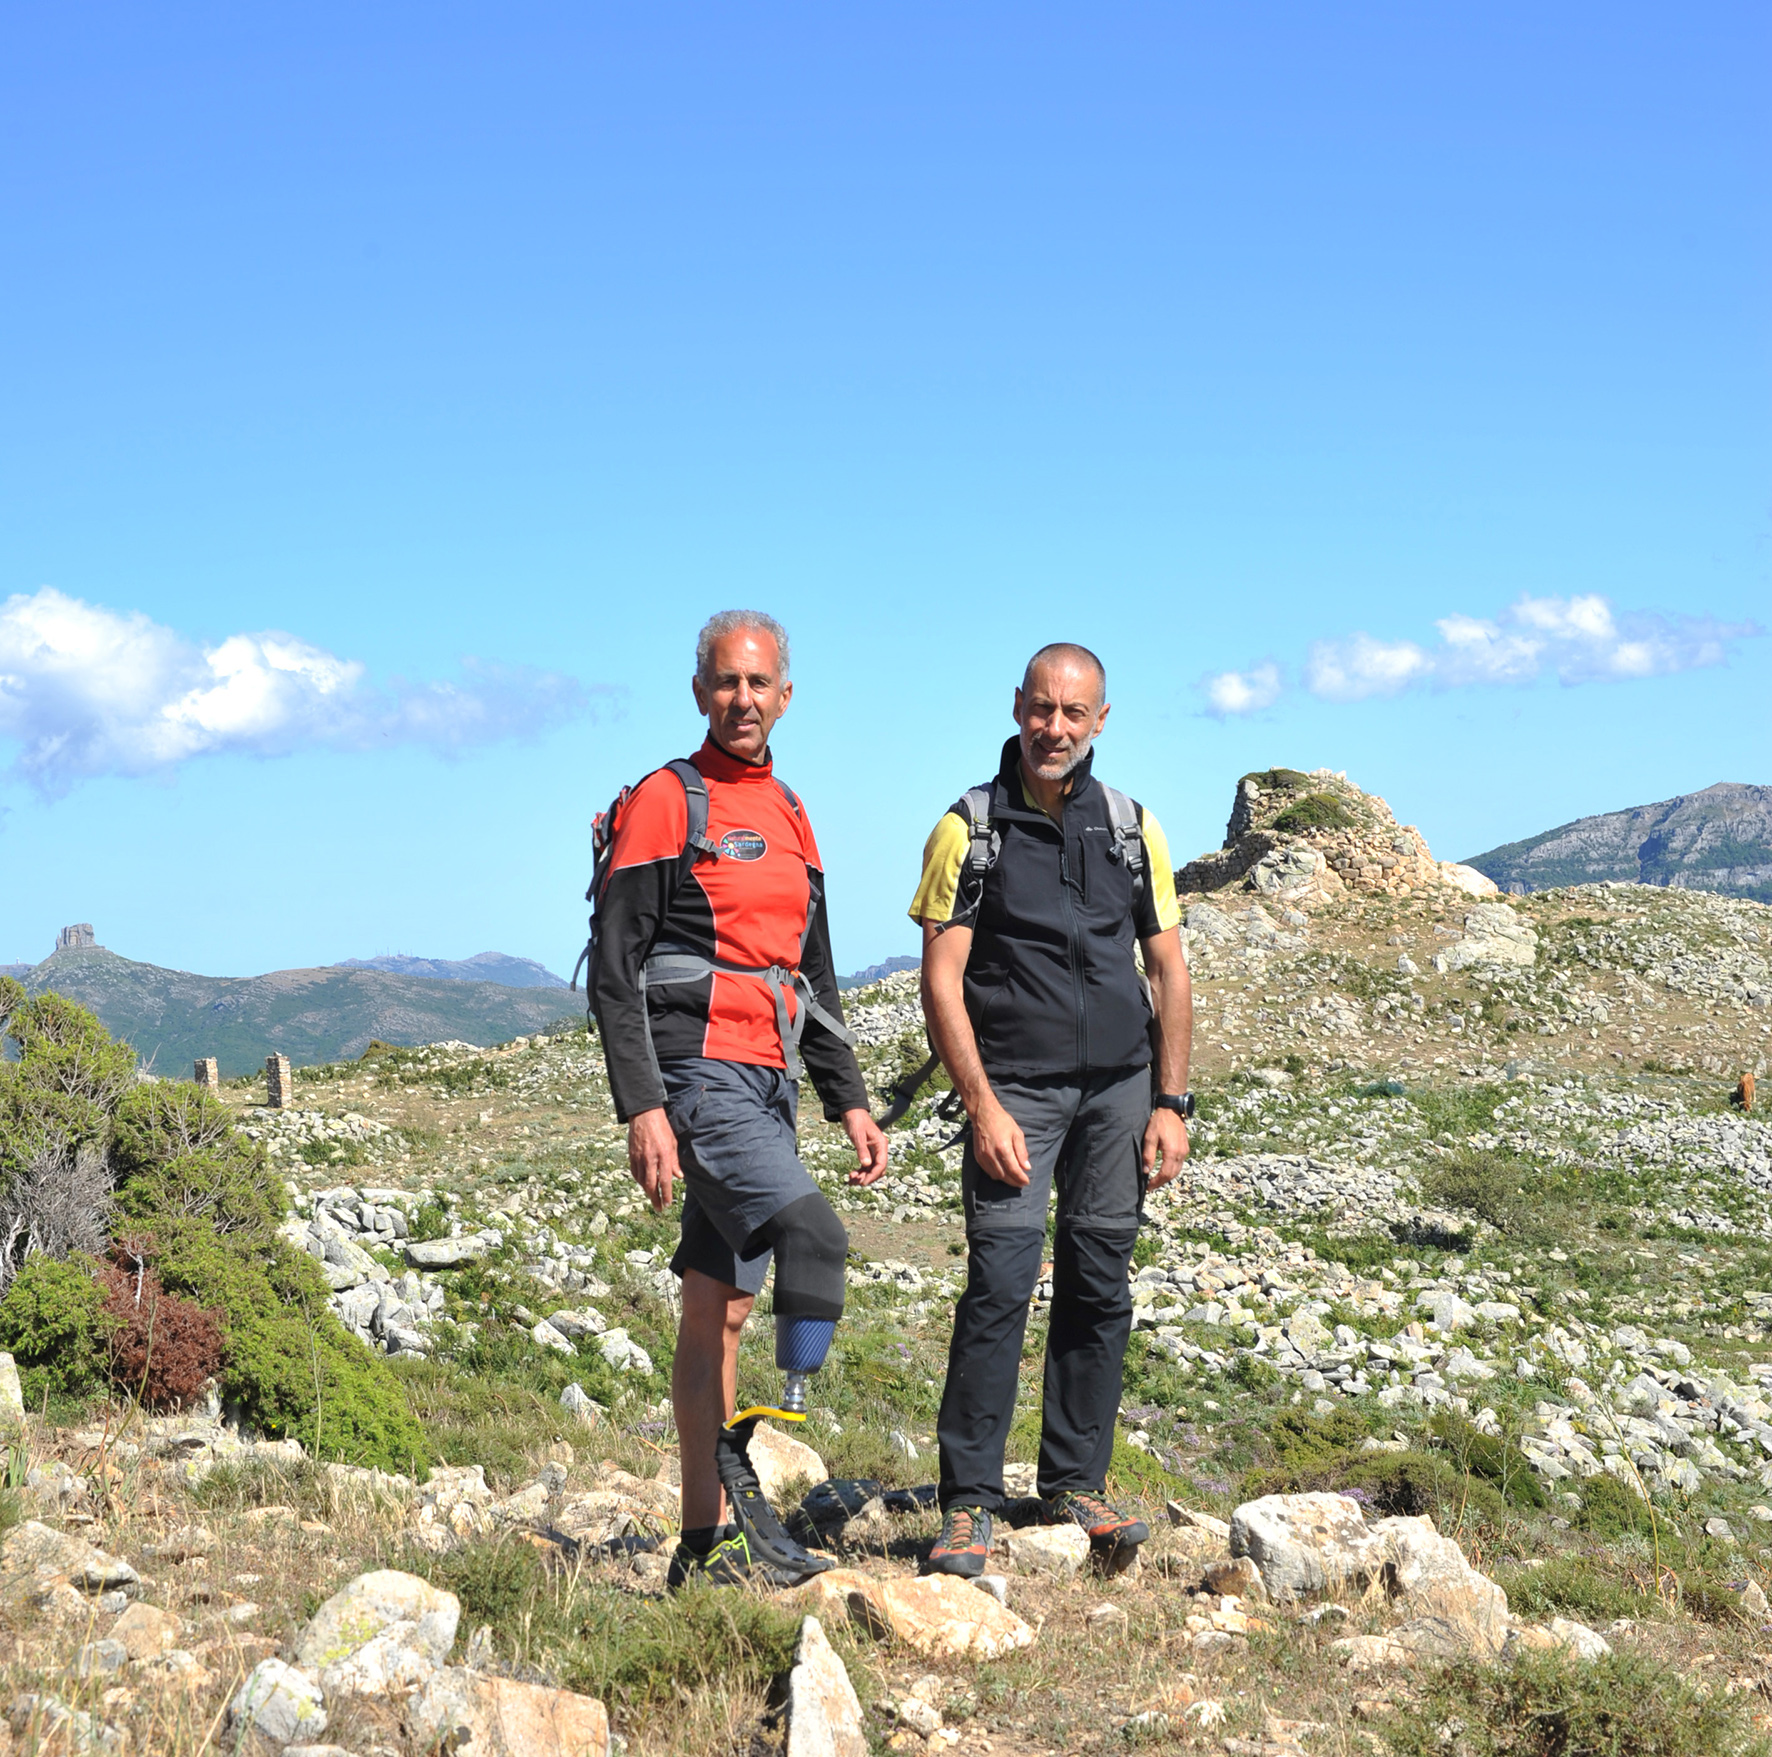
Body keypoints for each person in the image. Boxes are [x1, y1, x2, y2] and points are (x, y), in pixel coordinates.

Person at [590, 610, 890, 1588]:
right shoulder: (665, 799)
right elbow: (615, 969)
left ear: (785, 695)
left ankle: (702, 1541)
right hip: (698, 1071)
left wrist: (847, 1099)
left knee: (716, 1312)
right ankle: (771, 1441)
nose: (742, 699)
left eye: (759, 683)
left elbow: (814, 972)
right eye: (725, 681)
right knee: (815, 1236)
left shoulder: (791, 811)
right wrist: (643, 1106)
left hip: (769, 1077)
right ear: (699, 692)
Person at [908, 642, 1192, 1576]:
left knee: (1099, 1283)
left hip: (1119, 1091)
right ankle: (969, 1501)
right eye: (1042, 708)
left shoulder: (1132, 827)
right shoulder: (968, 828)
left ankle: (1075, 1482)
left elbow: (1168, 968)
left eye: (1074, 713)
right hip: (1015, 1092)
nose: (1054, 728)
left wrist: (1170, 1101)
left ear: (1101, 720)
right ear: (1017, 706)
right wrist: (981, 1104)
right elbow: (941, 980)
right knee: (999, 1283)